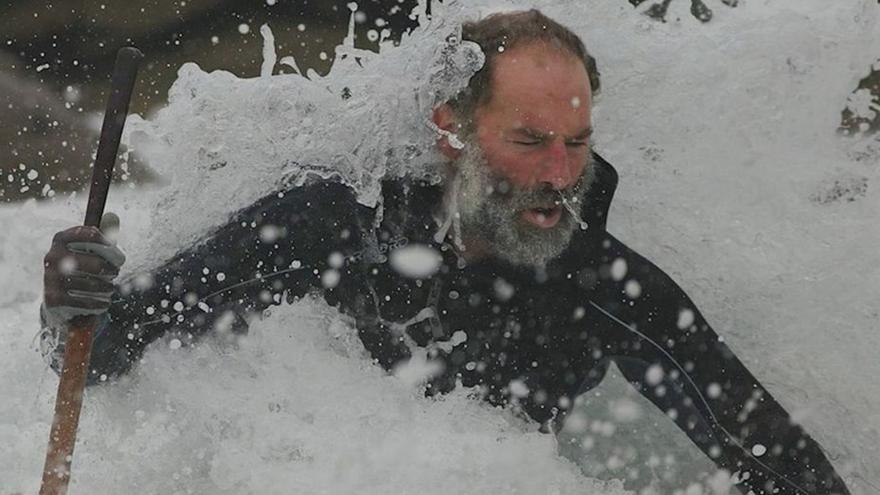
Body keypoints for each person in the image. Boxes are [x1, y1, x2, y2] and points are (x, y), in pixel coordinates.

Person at [40, 9, 850, 495]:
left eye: (577, 142)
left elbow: (777, 460)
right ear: (450, 128)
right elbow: (105, 349)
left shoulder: (602, 283)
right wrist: (70, 302)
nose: (561, 175)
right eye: (530, 141)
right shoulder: (332, 225)